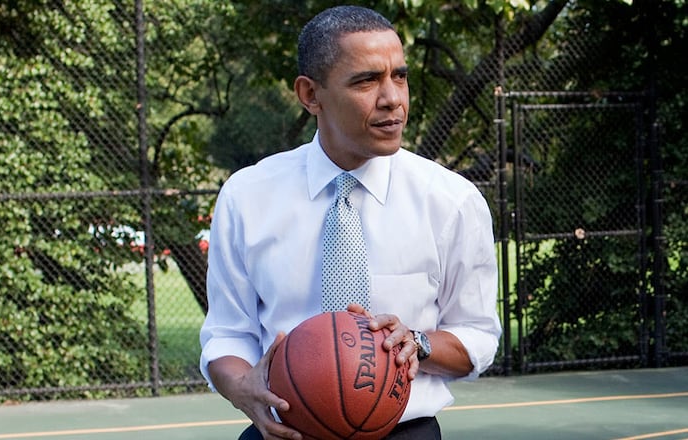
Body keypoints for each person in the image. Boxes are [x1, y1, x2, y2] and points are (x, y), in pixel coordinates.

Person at [199, 5, 501, 440]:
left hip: (403, 430)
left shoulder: (452, 201)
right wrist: (242, 387)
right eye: (366, 80)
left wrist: (418, 342)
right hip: (284, 429)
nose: (393, 98)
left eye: (399, 75)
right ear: (310, 95)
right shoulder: (247, 196)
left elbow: (477, 336)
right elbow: (227, 335)